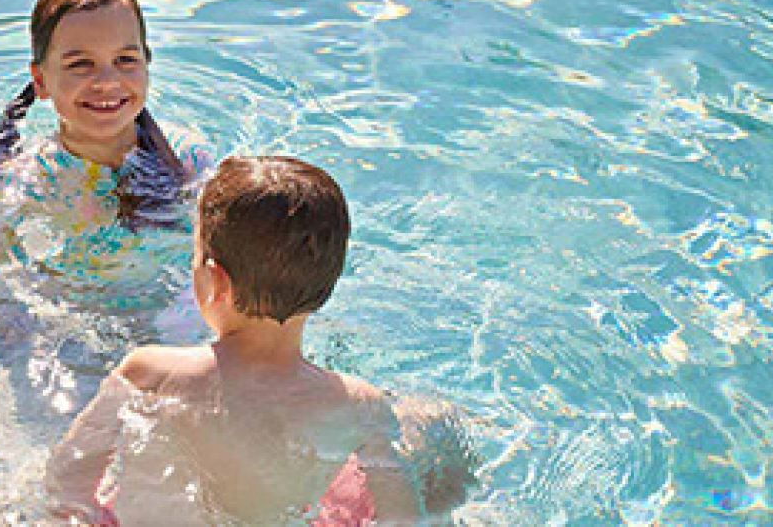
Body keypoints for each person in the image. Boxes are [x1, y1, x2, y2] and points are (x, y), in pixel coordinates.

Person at [45, 156, 477, 524]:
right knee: (428, 428)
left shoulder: (150, 372)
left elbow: (67, 482)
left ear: (214, 280)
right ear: (327, 287)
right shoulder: (361, 405)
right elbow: (402, 519)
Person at [0, 0, 213, 317]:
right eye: (81, 64)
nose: (107, 82)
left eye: (125, 60)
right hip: (73, 314)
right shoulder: (27, 180)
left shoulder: (187, 159)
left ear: (147, 64)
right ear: (41, 81)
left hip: (172, 311)